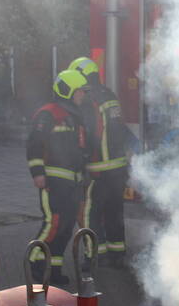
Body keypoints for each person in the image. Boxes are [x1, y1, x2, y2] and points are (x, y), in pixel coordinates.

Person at [26, 69, 90, 285]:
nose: (83, 95)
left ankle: (53, 270)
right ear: (68, 90)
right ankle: (34, 263)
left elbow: (79, 150)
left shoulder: (74, 116)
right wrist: (37, 173)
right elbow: (34, 144)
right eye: (80, 91)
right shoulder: (48, 113)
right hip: (53, 180)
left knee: (66, 226)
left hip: (72, 181)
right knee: (52, 223)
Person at [69, 56, 131, 269]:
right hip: (118, 166)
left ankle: (95, 255)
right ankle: (118, 254)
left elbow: (87, 134)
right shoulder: (109, 94)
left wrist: (82, 160)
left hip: (98, 168)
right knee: (115, 212)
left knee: (90, 213)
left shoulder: (88, 99)